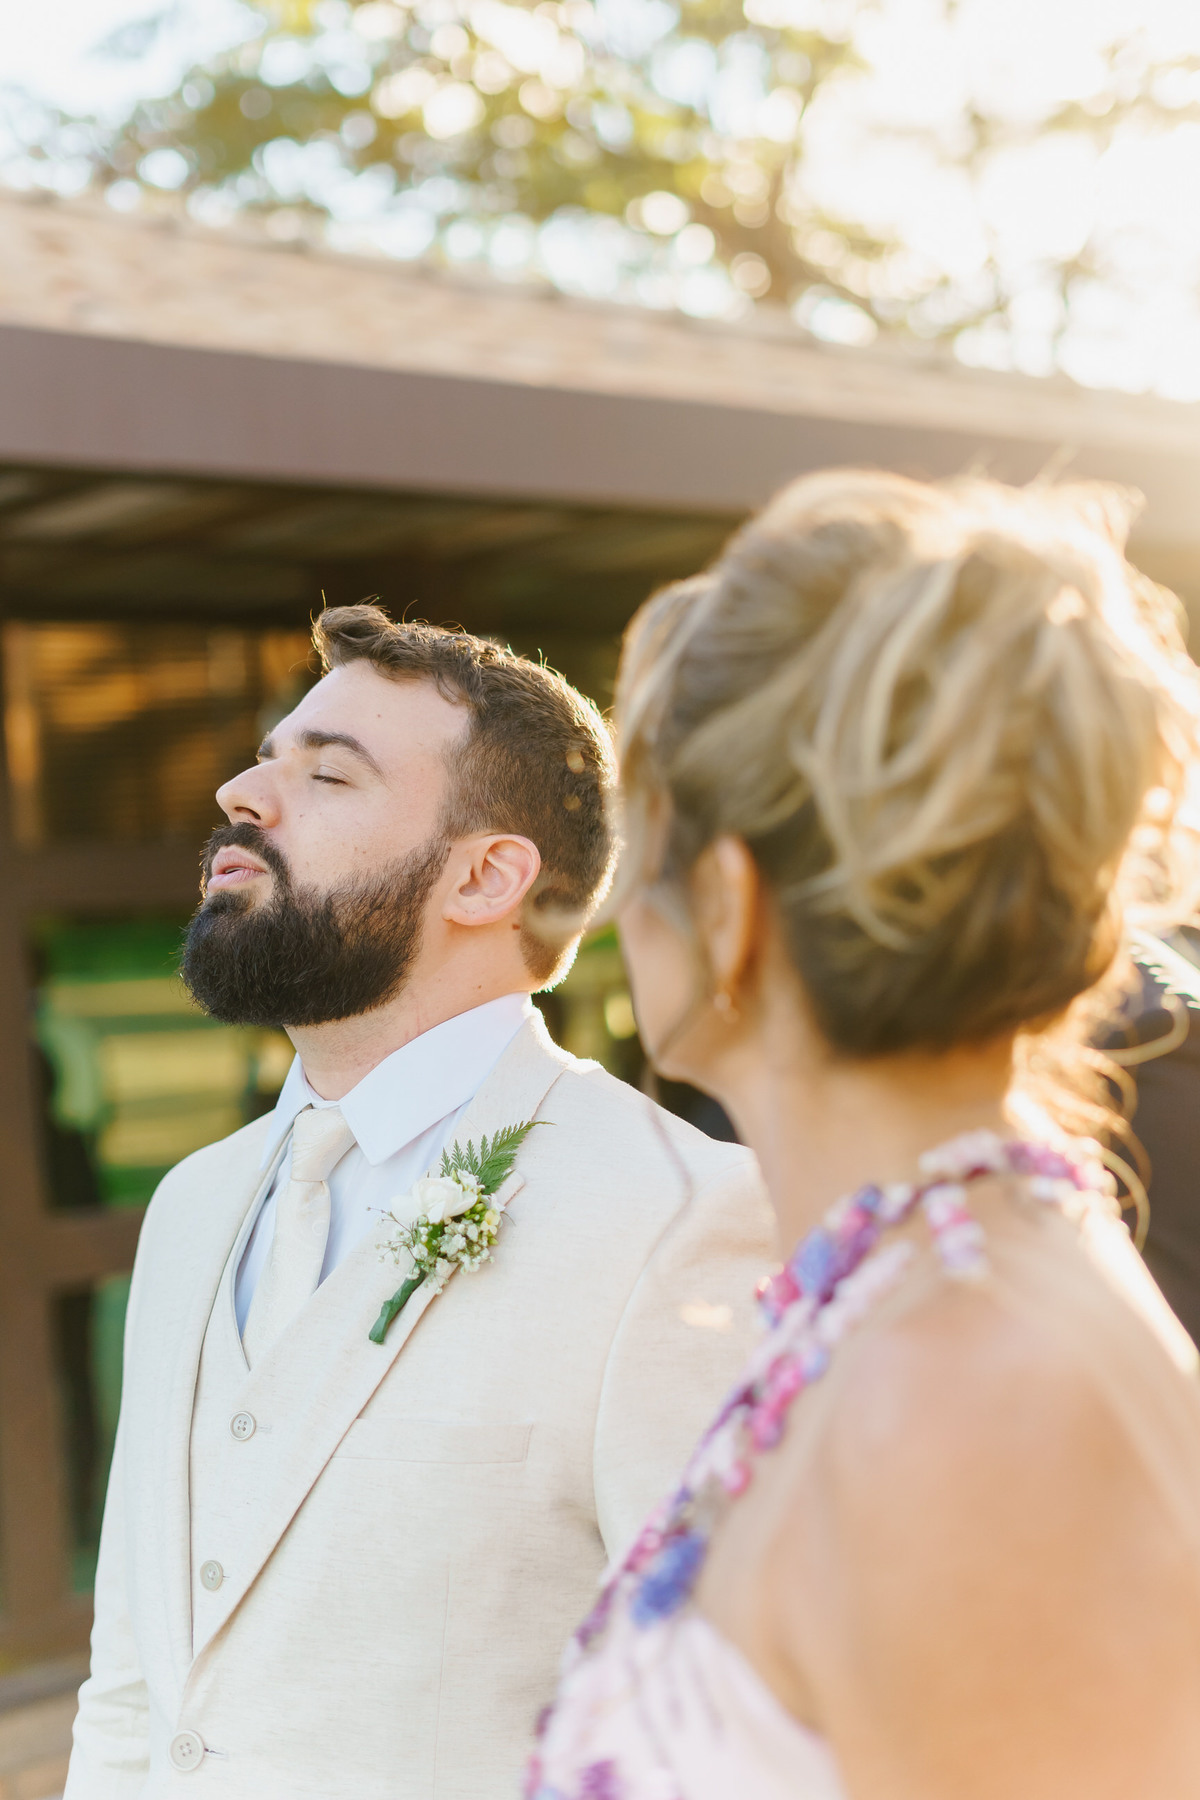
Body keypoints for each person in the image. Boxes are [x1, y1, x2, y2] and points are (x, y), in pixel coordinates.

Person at [528, 471, 1200, 1799]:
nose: (612, 917)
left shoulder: (963, 1401)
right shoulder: (922, 1293)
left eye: (635, 849)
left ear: (727, 906)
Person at [65, 607, 775, 1800]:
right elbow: (135, 1687)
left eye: (327, 772)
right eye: (265, 756)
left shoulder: (682, 1216)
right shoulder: (193, 1207)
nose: (245, 792)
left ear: (487, 876)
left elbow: (717, 1732)